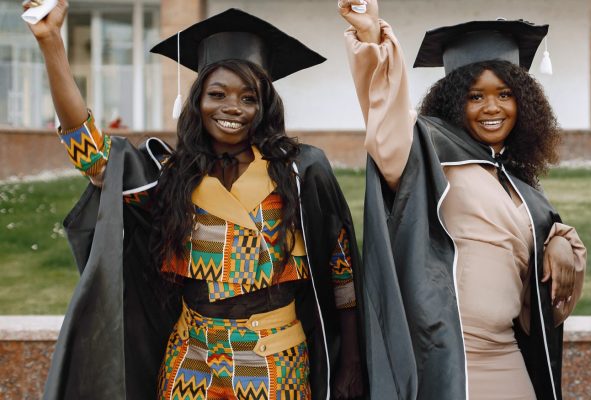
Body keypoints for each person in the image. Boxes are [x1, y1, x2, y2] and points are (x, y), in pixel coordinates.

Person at [32, 4, 367, 399]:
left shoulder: (300, 170)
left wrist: (351, 361)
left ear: (264, 106)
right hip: (191, 358)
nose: (232, 108)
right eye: (217, 94)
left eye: (248, 98)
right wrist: (50, 41)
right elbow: (90, 155)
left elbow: (340, 270)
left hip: (275, 361)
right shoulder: (171, 174)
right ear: (198, 101)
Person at [338, 1, 587, 399]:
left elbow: (547, 301)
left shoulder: (520, 185)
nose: (492, 108)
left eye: (505, 94)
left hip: (506, 357)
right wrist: (372, 40)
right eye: (475, 96)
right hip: (444, 361)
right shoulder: (425, 155)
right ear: (454, 102)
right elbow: (386, 121)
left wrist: (558, 240)